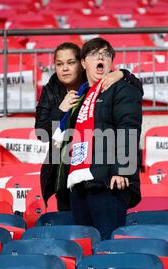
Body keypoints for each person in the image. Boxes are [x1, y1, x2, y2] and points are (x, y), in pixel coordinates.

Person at [35, 42, 142, 211]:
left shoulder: (98, 79)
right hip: (64, 170)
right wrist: (60, 109)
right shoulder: (52, 88)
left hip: (97, 171)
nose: (65, 69)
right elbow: (42, 133)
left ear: (82, 64)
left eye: (71, 63)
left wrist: (121, 74)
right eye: (59, 64)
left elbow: (134, 91)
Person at [60, 37, 143, 240]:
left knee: (107, 246)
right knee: (84, 248)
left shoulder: (121, 88)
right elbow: (62, 141)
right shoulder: (79, 98)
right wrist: (61, 112)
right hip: (80, 184)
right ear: (83, 63)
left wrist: (122, 169)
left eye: (105, 54)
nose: (100, 57)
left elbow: (129, 127)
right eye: (94, 54)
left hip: (109, 183)